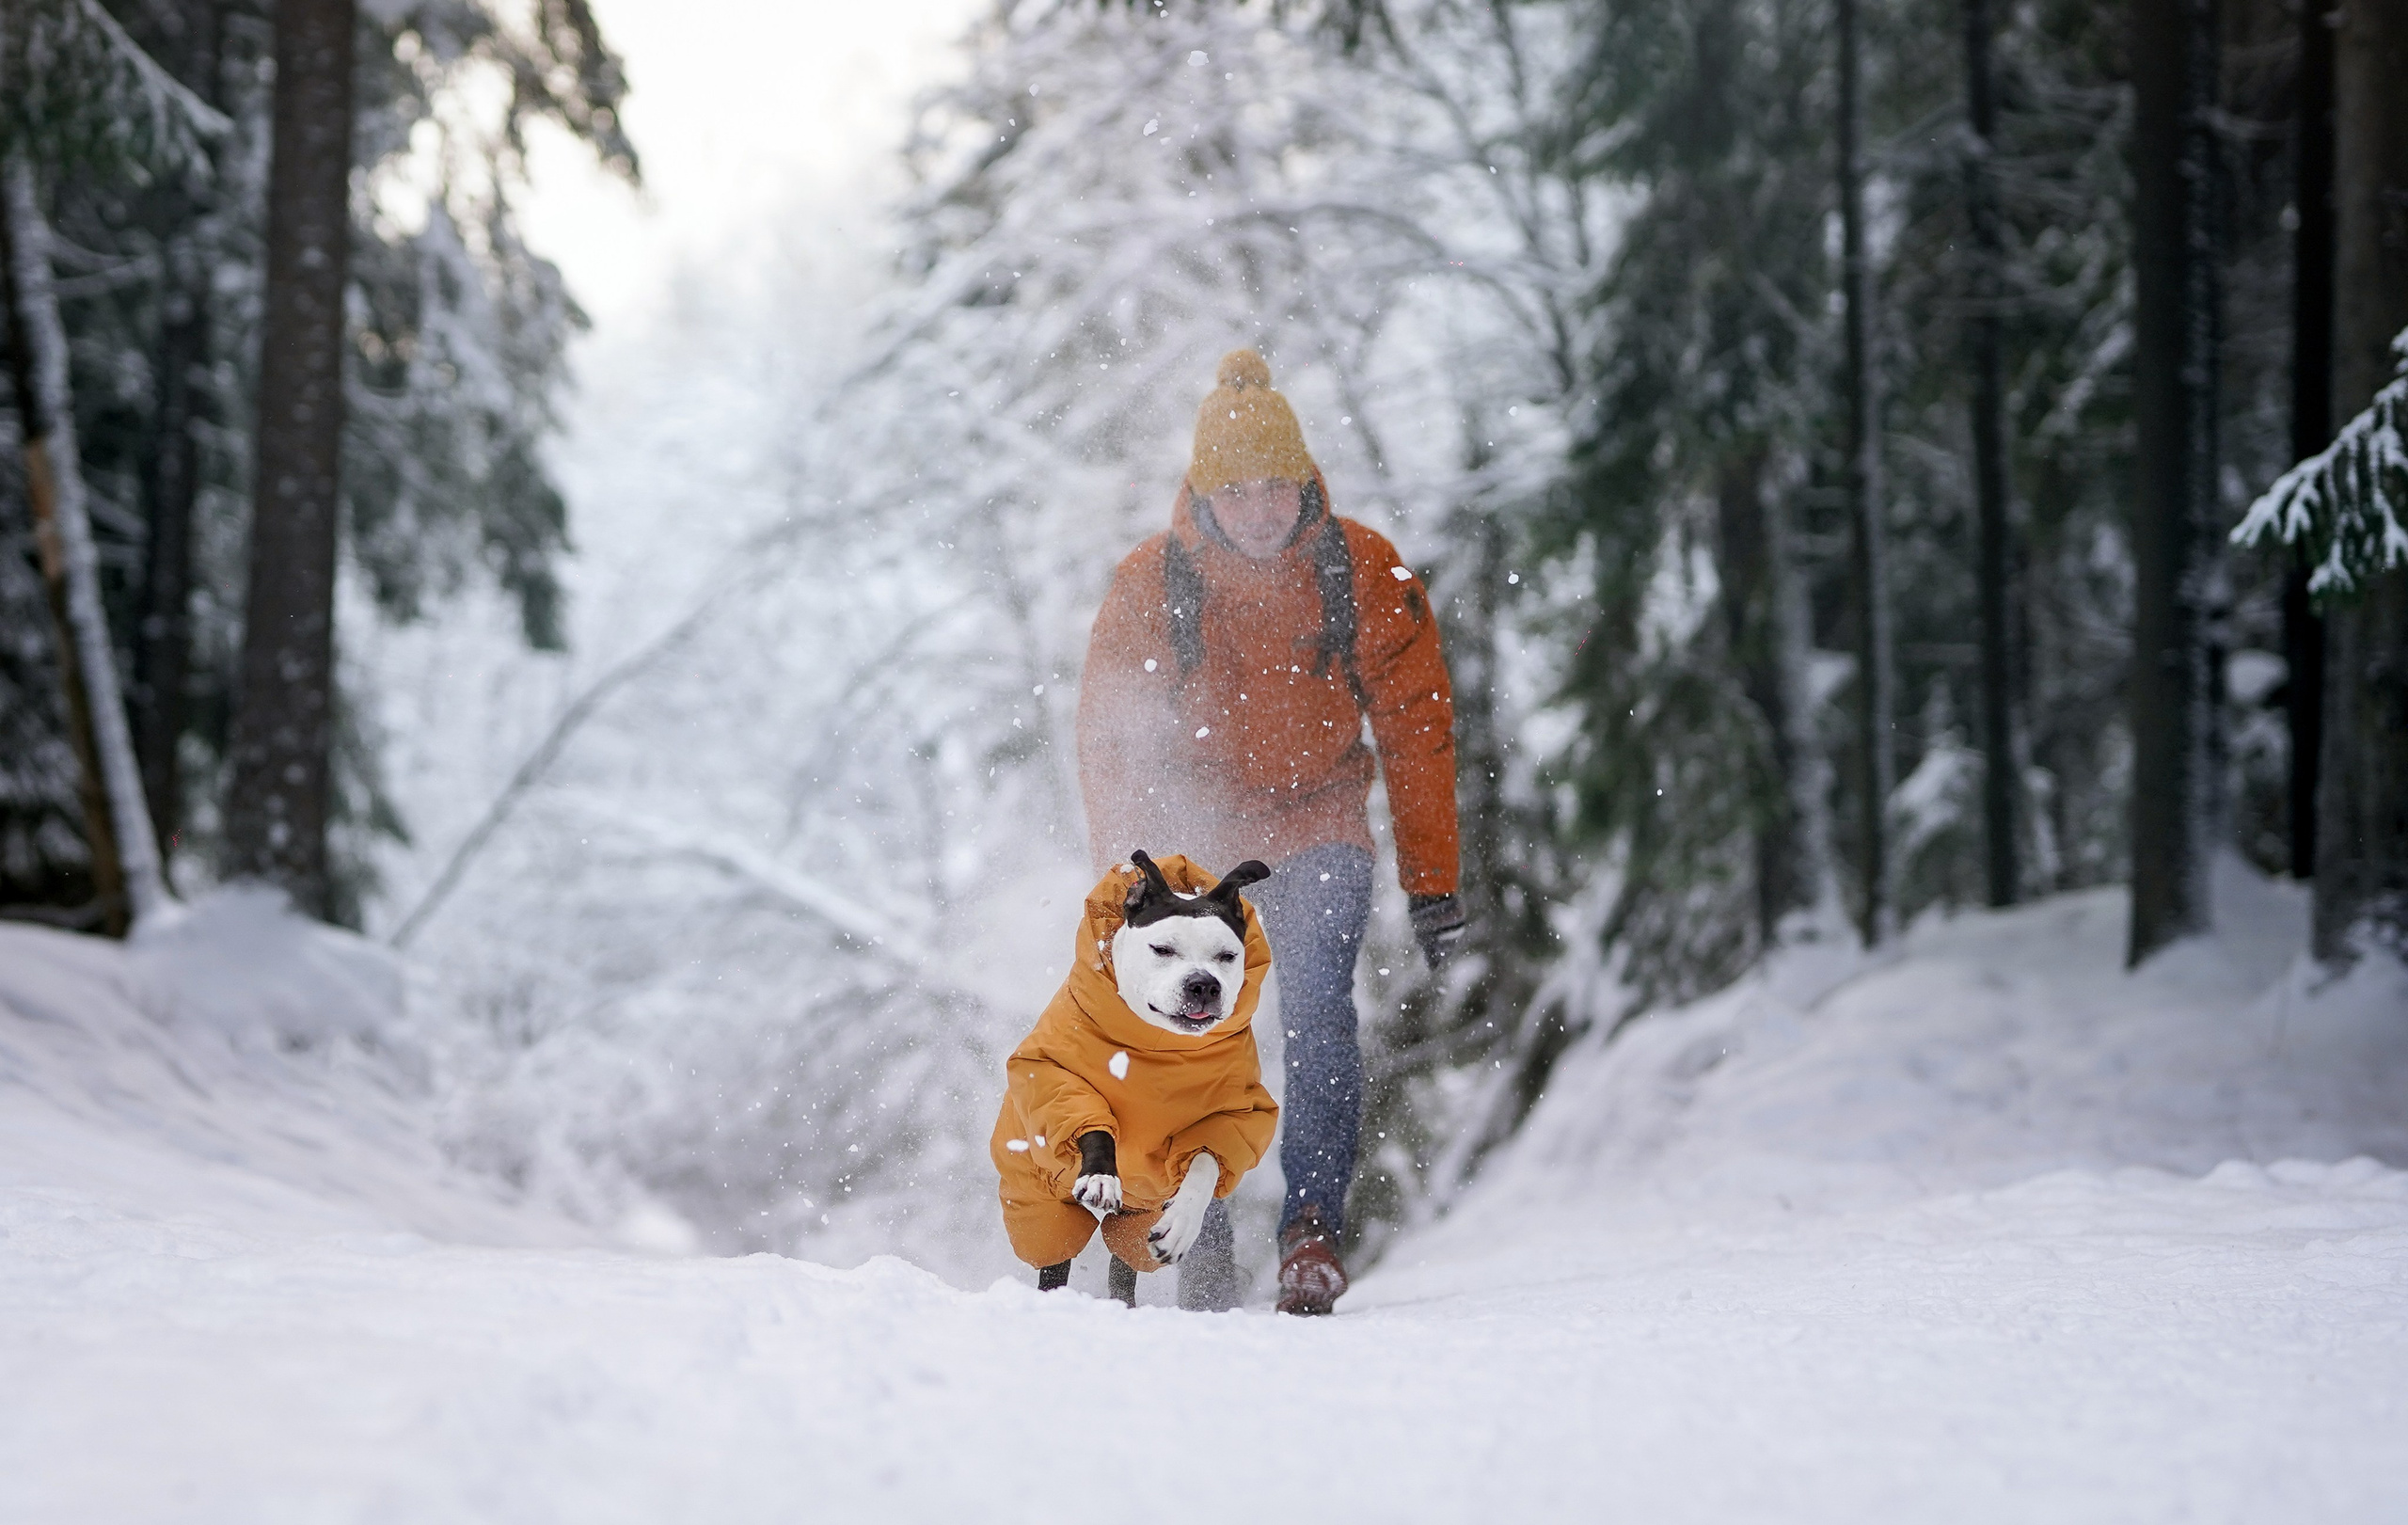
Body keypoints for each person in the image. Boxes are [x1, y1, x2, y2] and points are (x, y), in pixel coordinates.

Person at [1074, 347, 1465, 1314]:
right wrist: (1128, 890)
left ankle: (1311, 1229)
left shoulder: (1361, 568)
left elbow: (1416, 726)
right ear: (1205, 494)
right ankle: (1199, 1249)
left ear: (1305, 483)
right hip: (1198, 844)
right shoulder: (1152, 584)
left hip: (1321, 822)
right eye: (1236, 491)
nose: (1258, 510)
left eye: (1275, 489)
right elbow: (1110, 740)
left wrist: (1432, 881)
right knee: (1198, 1033)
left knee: (1320, 1010)